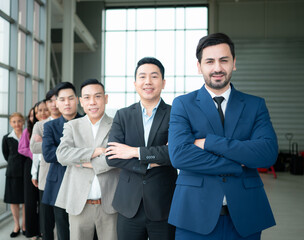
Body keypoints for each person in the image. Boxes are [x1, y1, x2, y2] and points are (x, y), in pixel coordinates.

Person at [168, 33, 278, 240]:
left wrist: (209, 142)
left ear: (234, 63)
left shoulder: (255, 105)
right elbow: (180, 155)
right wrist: (239, 163)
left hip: (246, 216)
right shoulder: (183, 104)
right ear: (199, 66)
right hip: (193, 215)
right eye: (210, 61)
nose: (217, 68)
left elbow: (267, 153)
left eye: (224, 60)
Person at [105, 57, 177, 240]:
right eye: (142, 76)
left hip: (164, 204)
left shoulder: (175, 114)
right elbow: (112, 157)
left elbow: (174, 153)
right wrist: (150, 163)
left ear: (163, 82)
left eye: (154, 76)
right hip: (129, 205)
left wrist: (133, 152)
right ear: (135, 83)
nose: (148, 82)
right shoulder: (123, 115)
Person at [55, 79, 120, 240]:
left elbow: (115, 158)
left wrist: (80, 162)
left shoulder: (117, 125)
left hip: (110, 204)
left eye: (97, 96)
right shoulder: (72, 126)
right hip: (79, 204)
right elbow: (62, 154)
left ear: (105, 98)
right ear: (81, 101)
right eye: (87, 97)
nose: (92, 102)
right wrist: (95, 152)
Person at [41, 82, 82, 240]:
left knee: (83, 229)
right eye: (62, 99)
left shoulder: (86, 121)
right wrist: (80, 154)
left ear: (77, 100)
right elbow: (48, 155)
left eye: (70, 98)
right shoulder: (50, 126)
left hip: (82, 182)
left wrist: (64, 153)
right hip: (59, 183)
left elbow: (94, 153)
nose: (67, 103)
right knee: (63, 230)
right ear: (56, 103)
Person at [30, 89, 61, 240]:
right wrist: (61, 147)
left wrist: (46, 142)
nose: (53, 104)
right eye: (50, 101)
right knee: (46, 221)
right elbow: (33, 147)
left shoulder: (72, 122)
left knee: (64, 221)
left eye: (57, 99)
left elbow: (77, 149)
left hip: (68, 177)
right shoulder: (40, 125)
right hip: (46, 178)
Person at [19, 101, 48, 239]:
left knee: (44, 203)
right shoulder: (29, 130)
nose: (40, 114)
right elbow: (24, 149)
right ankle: (32, 232)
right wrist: (34, 151)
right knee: (31, 202)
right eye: (36, 113)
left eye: (44, 110)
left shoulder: (48, 126)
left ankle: (43, 230)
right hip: (32, 167)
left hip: (44, 168)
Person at [2, 112, 27, 238]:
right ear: (10, 123)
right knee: (14, 201)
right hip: (12, 173)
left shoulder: (28, 135)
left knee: (26, 201)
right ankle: (16, 225)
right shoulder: (7, 138)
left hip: (26, 173)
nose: (17, 124)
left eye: (19, 121)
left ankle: (25, 226)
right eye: (14, 122)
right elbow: (6, 155)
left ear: (23, 121)